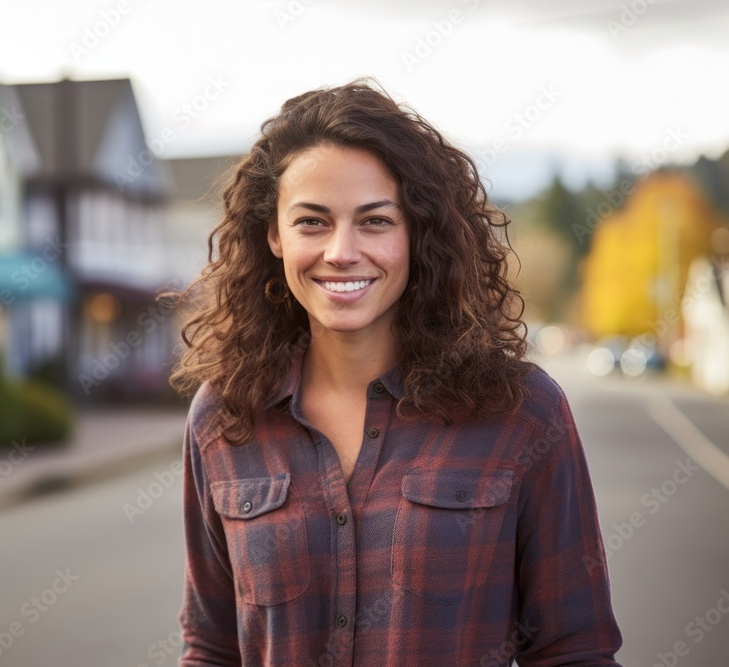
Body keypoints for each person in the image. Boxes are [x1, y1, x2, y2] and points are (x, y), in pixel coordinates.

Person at [167, 78, 623, 666]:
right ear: (274, 236)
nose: (341, 251)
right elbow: (212, 648)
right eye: (312, 222)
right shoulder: (224, 416)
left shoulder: (521, 411)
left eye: (376, 221)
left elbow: (574, 650)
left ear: (417, 233)